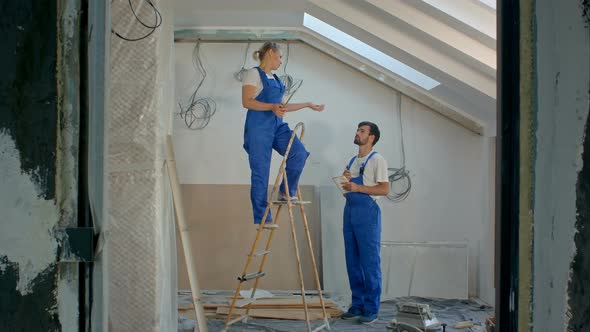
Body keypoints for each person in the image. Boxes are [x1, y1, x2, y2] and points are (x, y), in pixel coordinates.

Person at [241, 42, 325, 224]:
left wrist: (307, 104)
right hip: (258, 129)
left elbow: (283, 107)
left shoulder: (277, 80)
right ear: (270, 53)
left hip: (277, 127)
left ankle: (286, 192)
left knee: (299, 153)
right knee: (261, 173)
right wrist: (271, 106)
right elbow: (247, 102)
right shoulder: (253, 74)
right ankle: (262, 218)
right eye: (280, 57)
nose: (281, 61)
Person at [340, 121, 390, 324]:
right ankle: (357, 305)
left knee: (369, 263)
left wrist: (357, 188)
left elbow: (384, 189)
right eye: (357, 130)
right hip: (350, 211)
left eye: (362, 131)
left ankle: (371, 308)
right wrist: (345, 184)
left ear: (372, 138)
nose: (357, 133)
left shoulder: (378, 160)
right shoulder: (352, 161)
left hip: (367, 213)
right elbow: (347, 190)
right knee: (352, 262)